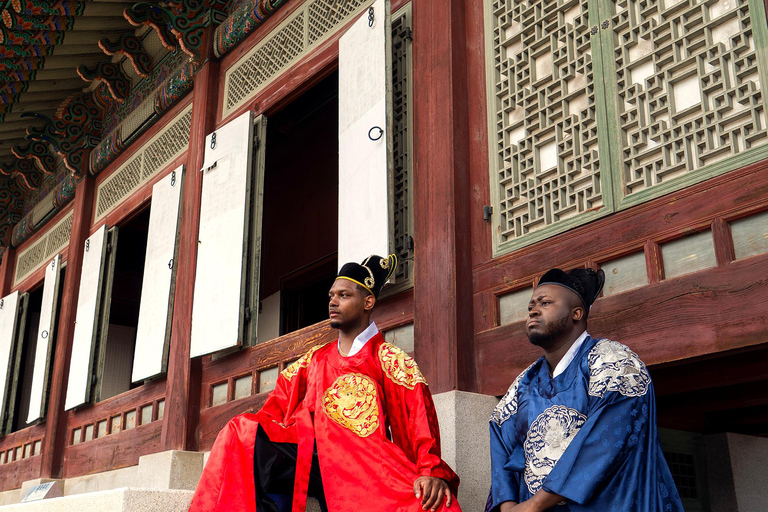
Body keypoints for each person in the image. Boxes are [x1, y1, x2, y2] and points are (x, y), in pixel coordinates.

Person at [189, 254, 462, 512]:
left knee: (439, 505)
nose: (333, 302)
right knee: (242, 431)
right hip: (310, 458)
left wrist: (429, 471)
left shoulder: (388, 358)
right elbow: (276, 406)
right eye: (332, 295)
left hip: (363, 462)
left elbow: (418, 415)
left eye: (344, 295)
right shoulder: (315, 359)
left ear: (368, 302)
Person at [486, 268, 684, 512]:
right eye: (531, 307)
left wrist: (536, 504)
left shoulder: (614, 361)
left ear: (576, 313)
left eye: (545, 303)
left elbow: (607, 442)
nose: (533, 310)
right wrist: (508, 506)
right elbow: (501, 438)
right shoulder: (524, 382)